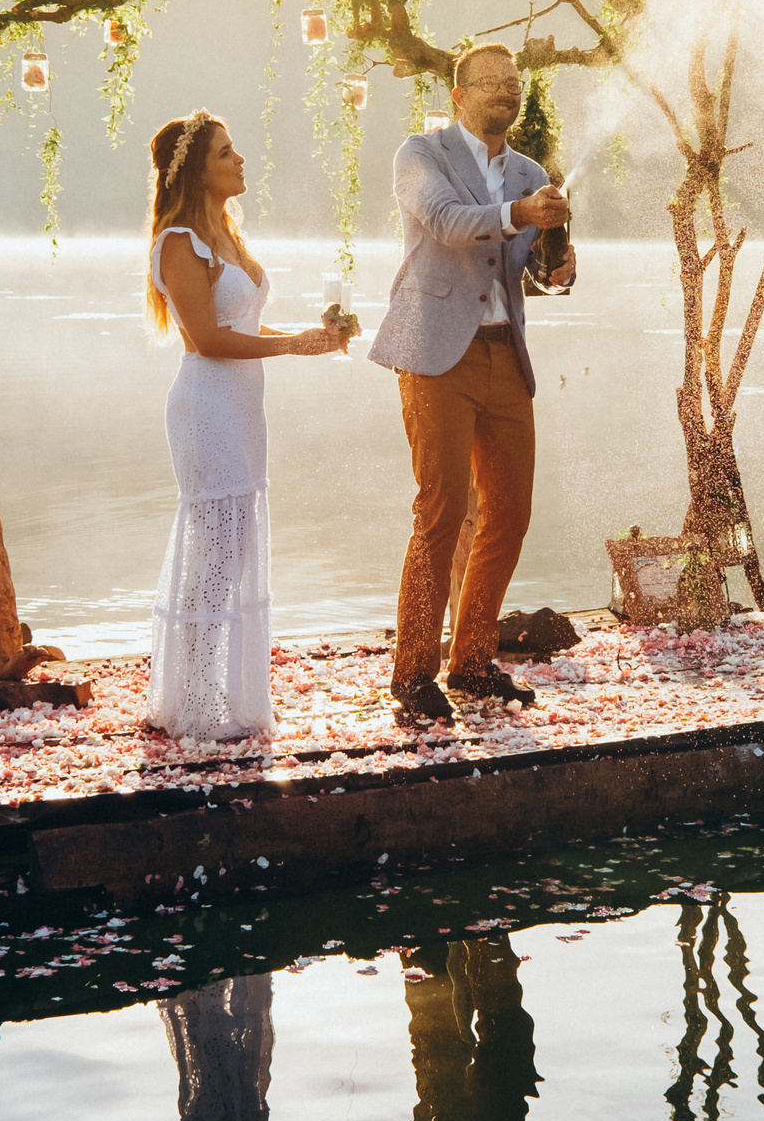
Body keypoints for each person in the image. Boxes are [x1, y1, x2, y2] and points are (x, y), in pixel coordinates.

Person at [369, 43, 576, 726]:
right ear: (458, 94)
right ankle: (413, 673)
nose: (505, 92)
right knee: (440, 511)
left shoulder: (527, 170)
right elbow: (451, 224)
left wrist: (555, 268)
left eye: (513, 82)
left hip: (503, 358)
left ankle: (471, 661)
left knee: (509, 514)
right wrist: (521, 213)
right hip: (434, 356)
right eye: (489, 83)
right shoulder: (420, 156)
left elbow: (519, 264)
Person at [143, 110, 348, 740]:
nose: (240, 160)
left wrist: (310, 340)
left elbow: (247, 330)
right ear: (197, 170)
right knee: (214, 555)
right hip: (205, 406)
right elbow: (206, 339)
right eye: (227, 153)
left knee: (232, 553)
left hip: (243, 409)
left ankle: (218, 692)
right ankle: (195, 702)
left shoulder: (227, 232)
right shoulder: (181, 241)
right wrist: (290, 348)